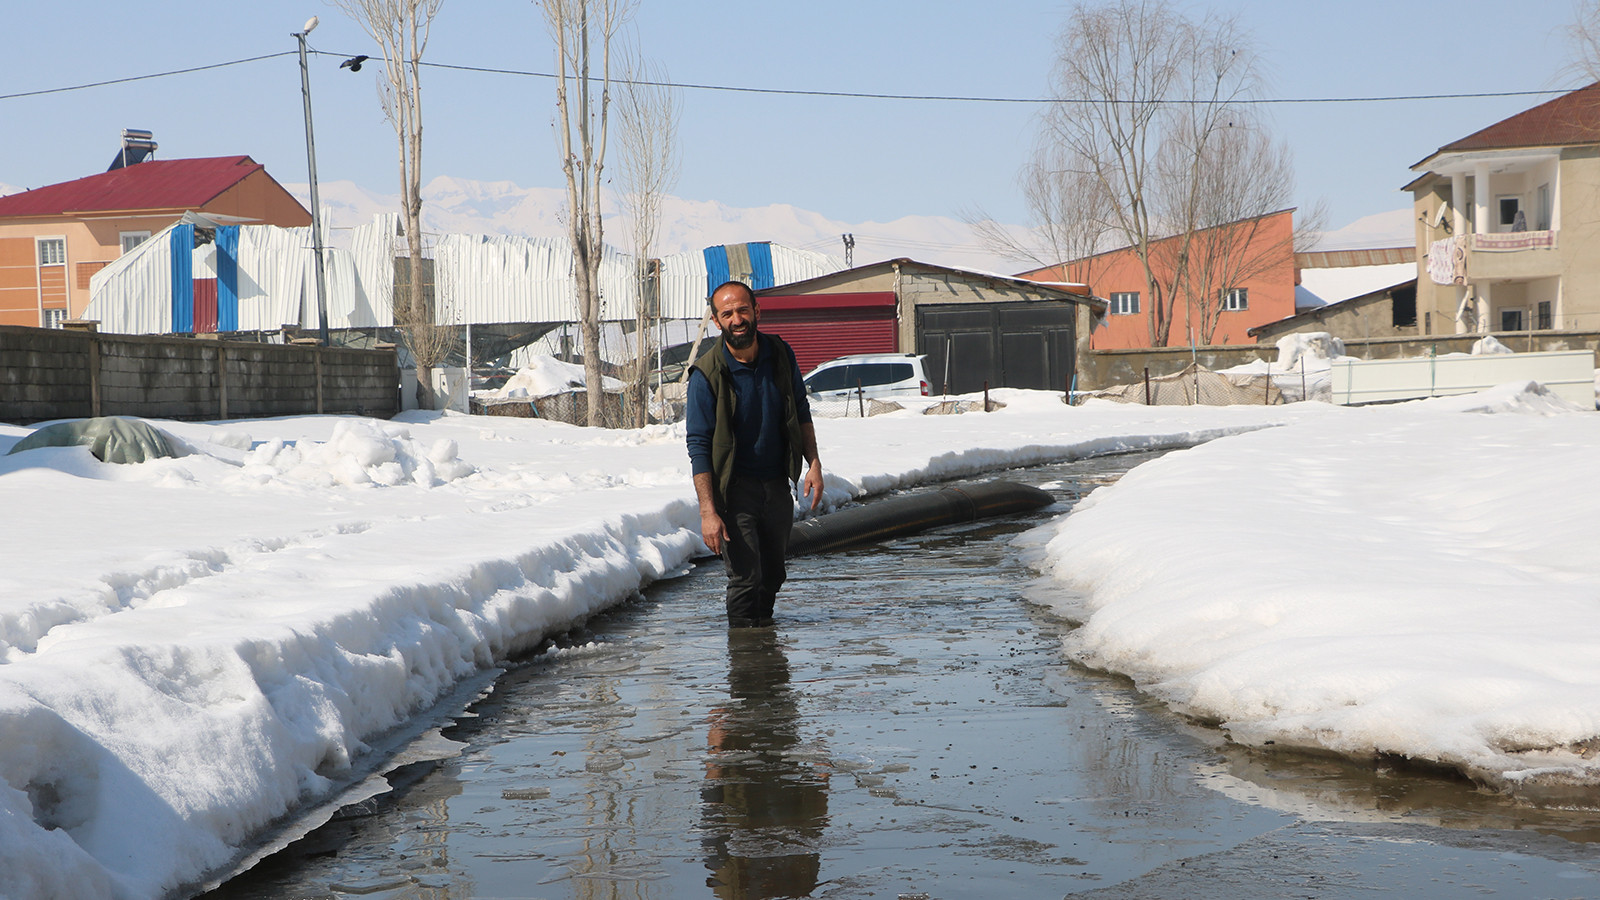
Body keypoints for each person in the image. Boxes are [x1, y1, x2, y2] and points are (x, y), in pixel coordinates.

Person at [685, 280, 823, 628]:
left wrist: (814, 464)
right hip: (735, 490)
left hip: (776, 483)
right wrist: (708, 512)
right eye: (727, 313)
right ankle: (746, 665)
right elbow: (698, 444)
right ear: (717, 321)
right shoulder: (706, 375)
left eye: (743, 310)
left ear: (757, 311)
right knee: (746, 579)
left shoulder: (779, 354)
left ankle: (768, 660)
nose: (737, 319)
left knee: (774, 574)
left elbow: (801, 410)